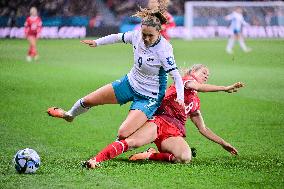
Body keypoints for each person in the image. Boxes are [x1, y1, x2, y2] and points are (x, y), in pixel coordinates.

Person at [47, 3, 185, 140]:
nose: (146, 38)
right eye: (144, 34)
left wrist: (180, 97)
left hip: (149, 96)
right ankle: (69, 115)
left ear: (159, 32)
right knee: (88, 100)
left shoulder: (164, 50)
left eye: (151, 36)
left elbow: (176, 77)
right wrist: (97, 42)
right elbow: (117, 37)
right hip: (130, 83)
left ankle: (151, 135)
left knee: (123, 133)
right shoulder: (136, 36)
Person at [84, 64, 244, 168]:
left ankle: (150, 154)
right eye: (203, 72)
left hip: (174, 133)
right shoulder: (185, 81)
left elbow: (203, 128)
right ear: (192, 72)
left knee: (185, 158)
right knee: (131, 142)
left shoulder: (195, 101)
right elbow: (198, 86)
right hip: (159, 122)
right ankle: (95, 160)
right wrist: (224, 87)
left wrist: (223, 143)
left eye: (208, 74)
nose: (206, 75)